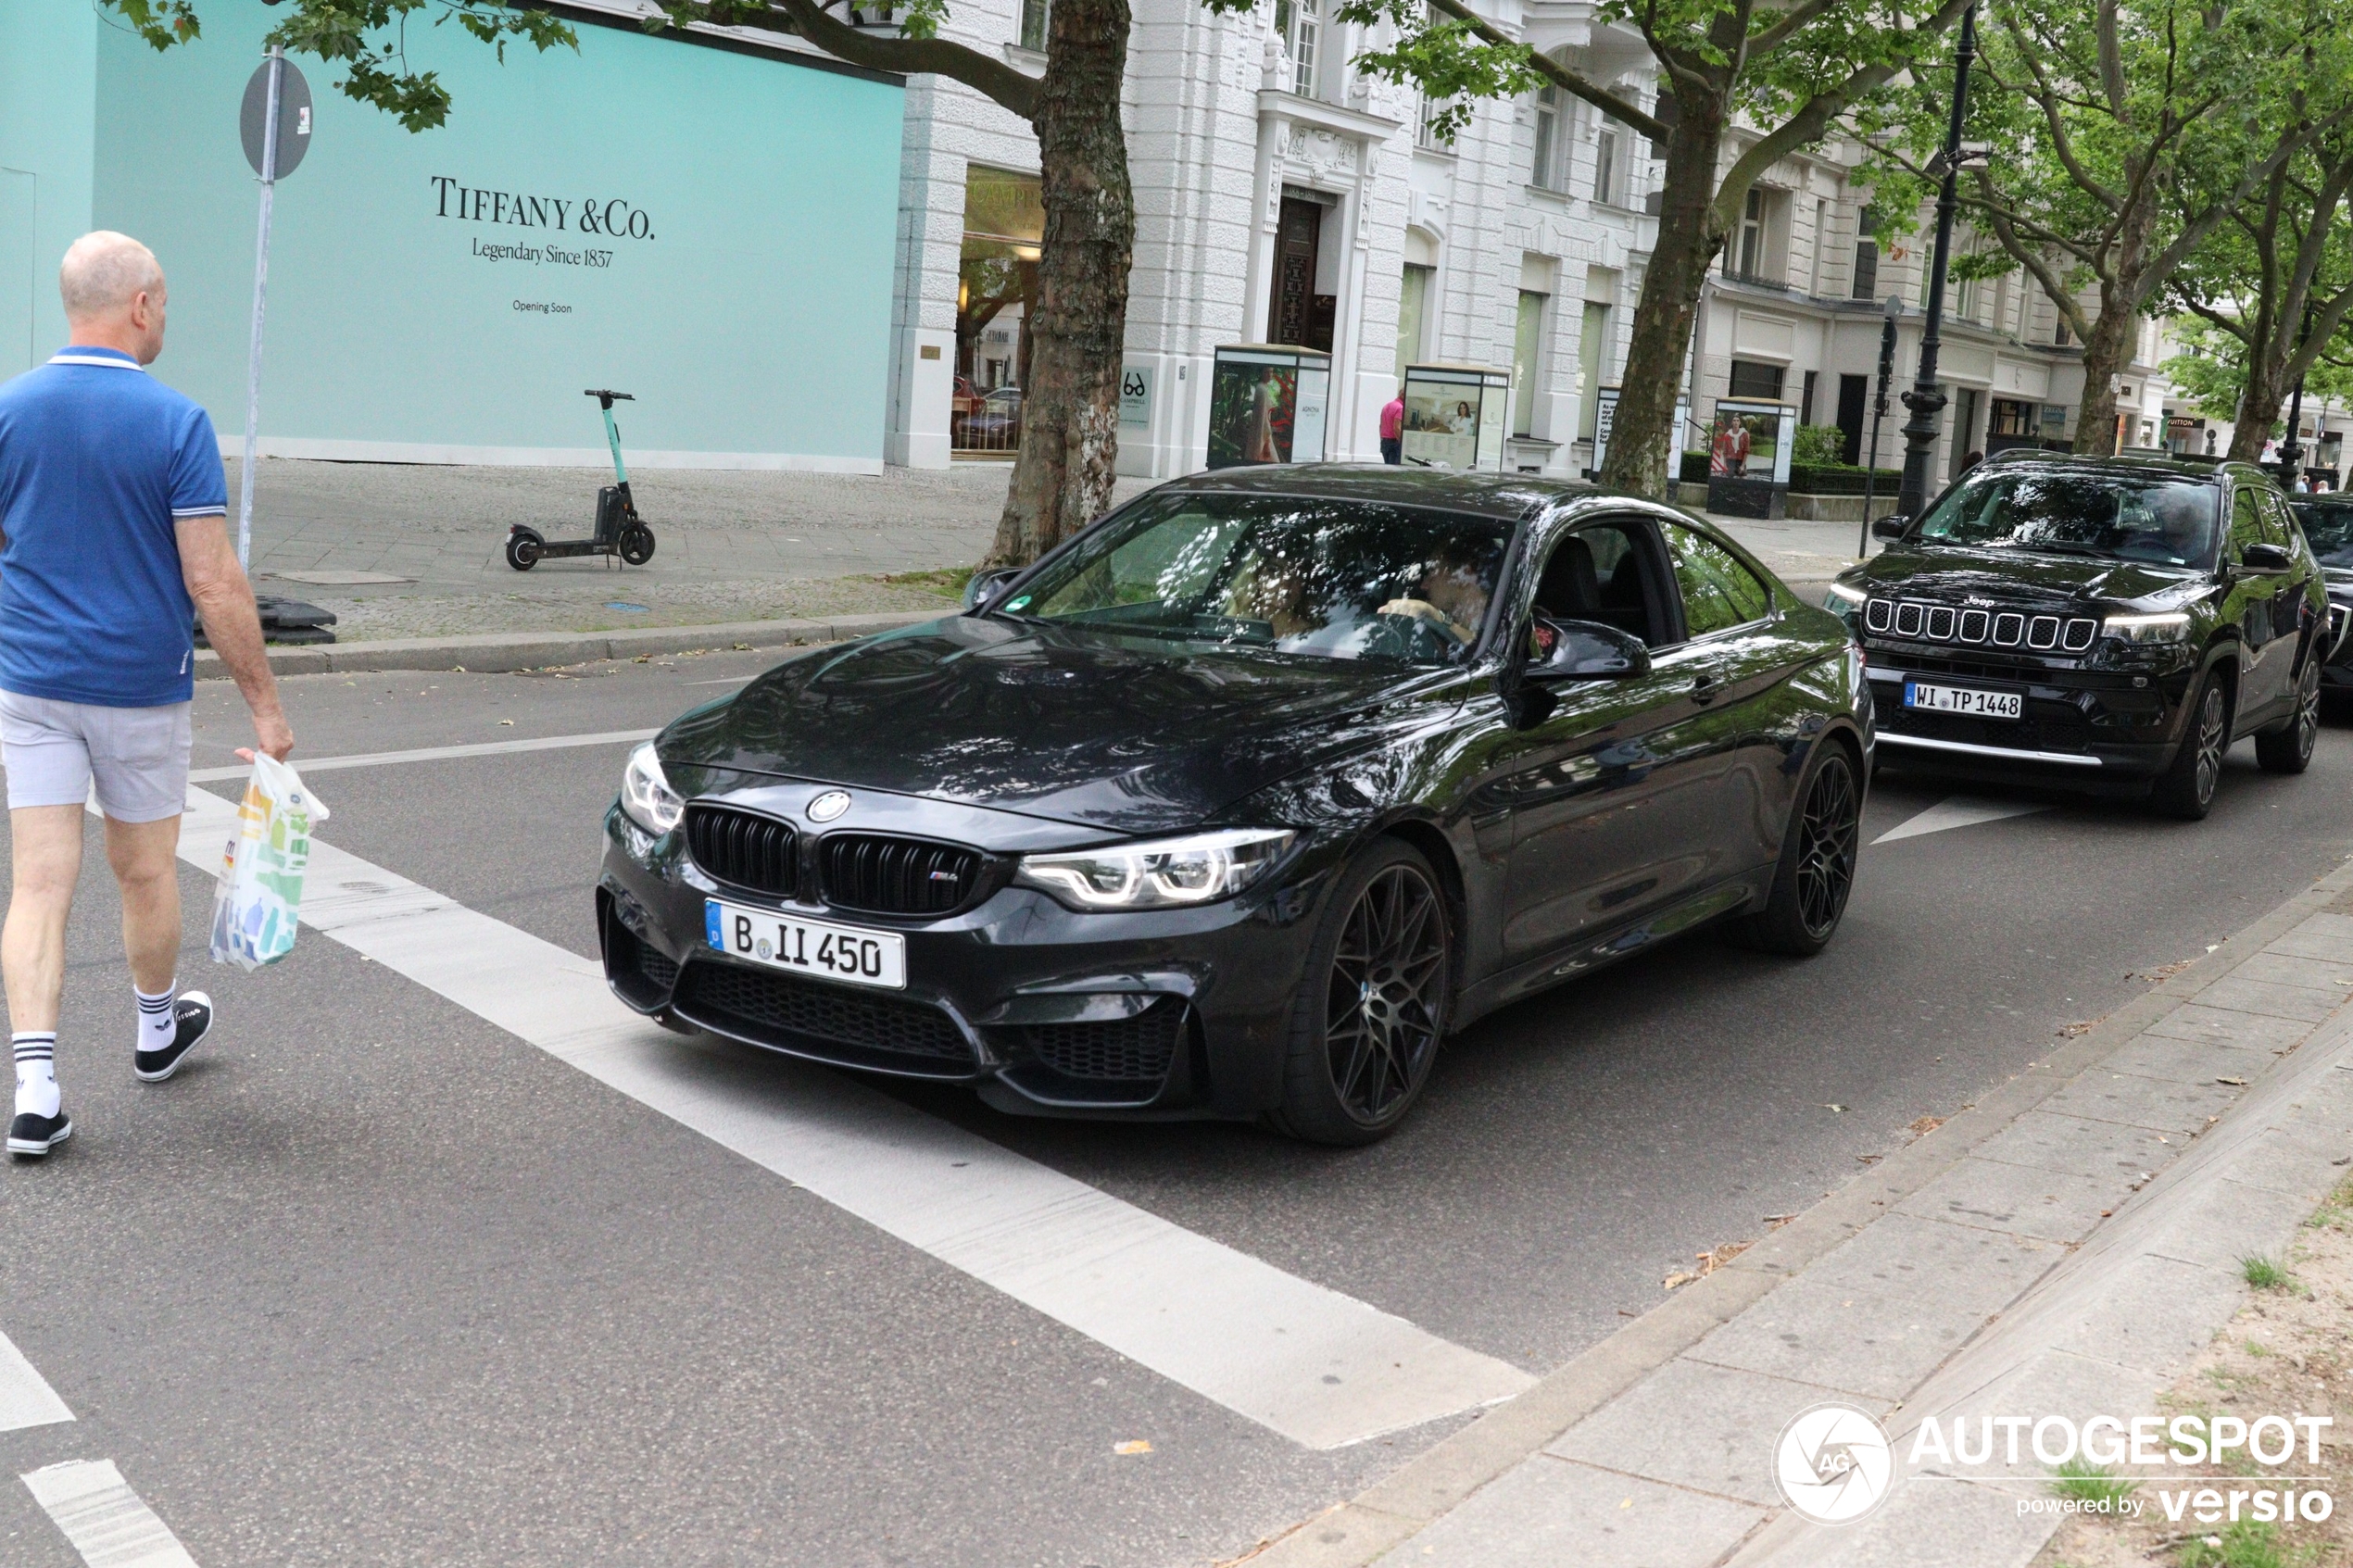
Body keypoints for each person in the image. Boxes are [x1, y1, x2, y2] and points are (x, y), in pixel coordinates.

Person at [0, 232, 294, 1160]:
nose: (164, 316)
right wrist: (266, 710)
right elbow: (214, 585)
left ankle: (36, 1091)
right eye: (162, 301)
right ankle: (157, 1032)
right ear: (139, 305)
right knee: (144, 872)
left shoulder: (8, 410)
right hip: (138, 686)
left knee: (39, 882)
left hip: (32, 683)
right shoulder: (175, 422)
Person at [1379, 389, 1404, 464]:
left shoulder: (1386, 406)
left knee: (1387, 469)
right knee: (1394, 470)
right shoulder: (1400, 408)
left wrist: (1382, 439)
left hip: (1384, 442)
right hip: (1394, 443)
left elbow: (1381, 425)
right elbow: (1396, 428)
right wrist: (1402, 443)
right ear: (1403, 395)